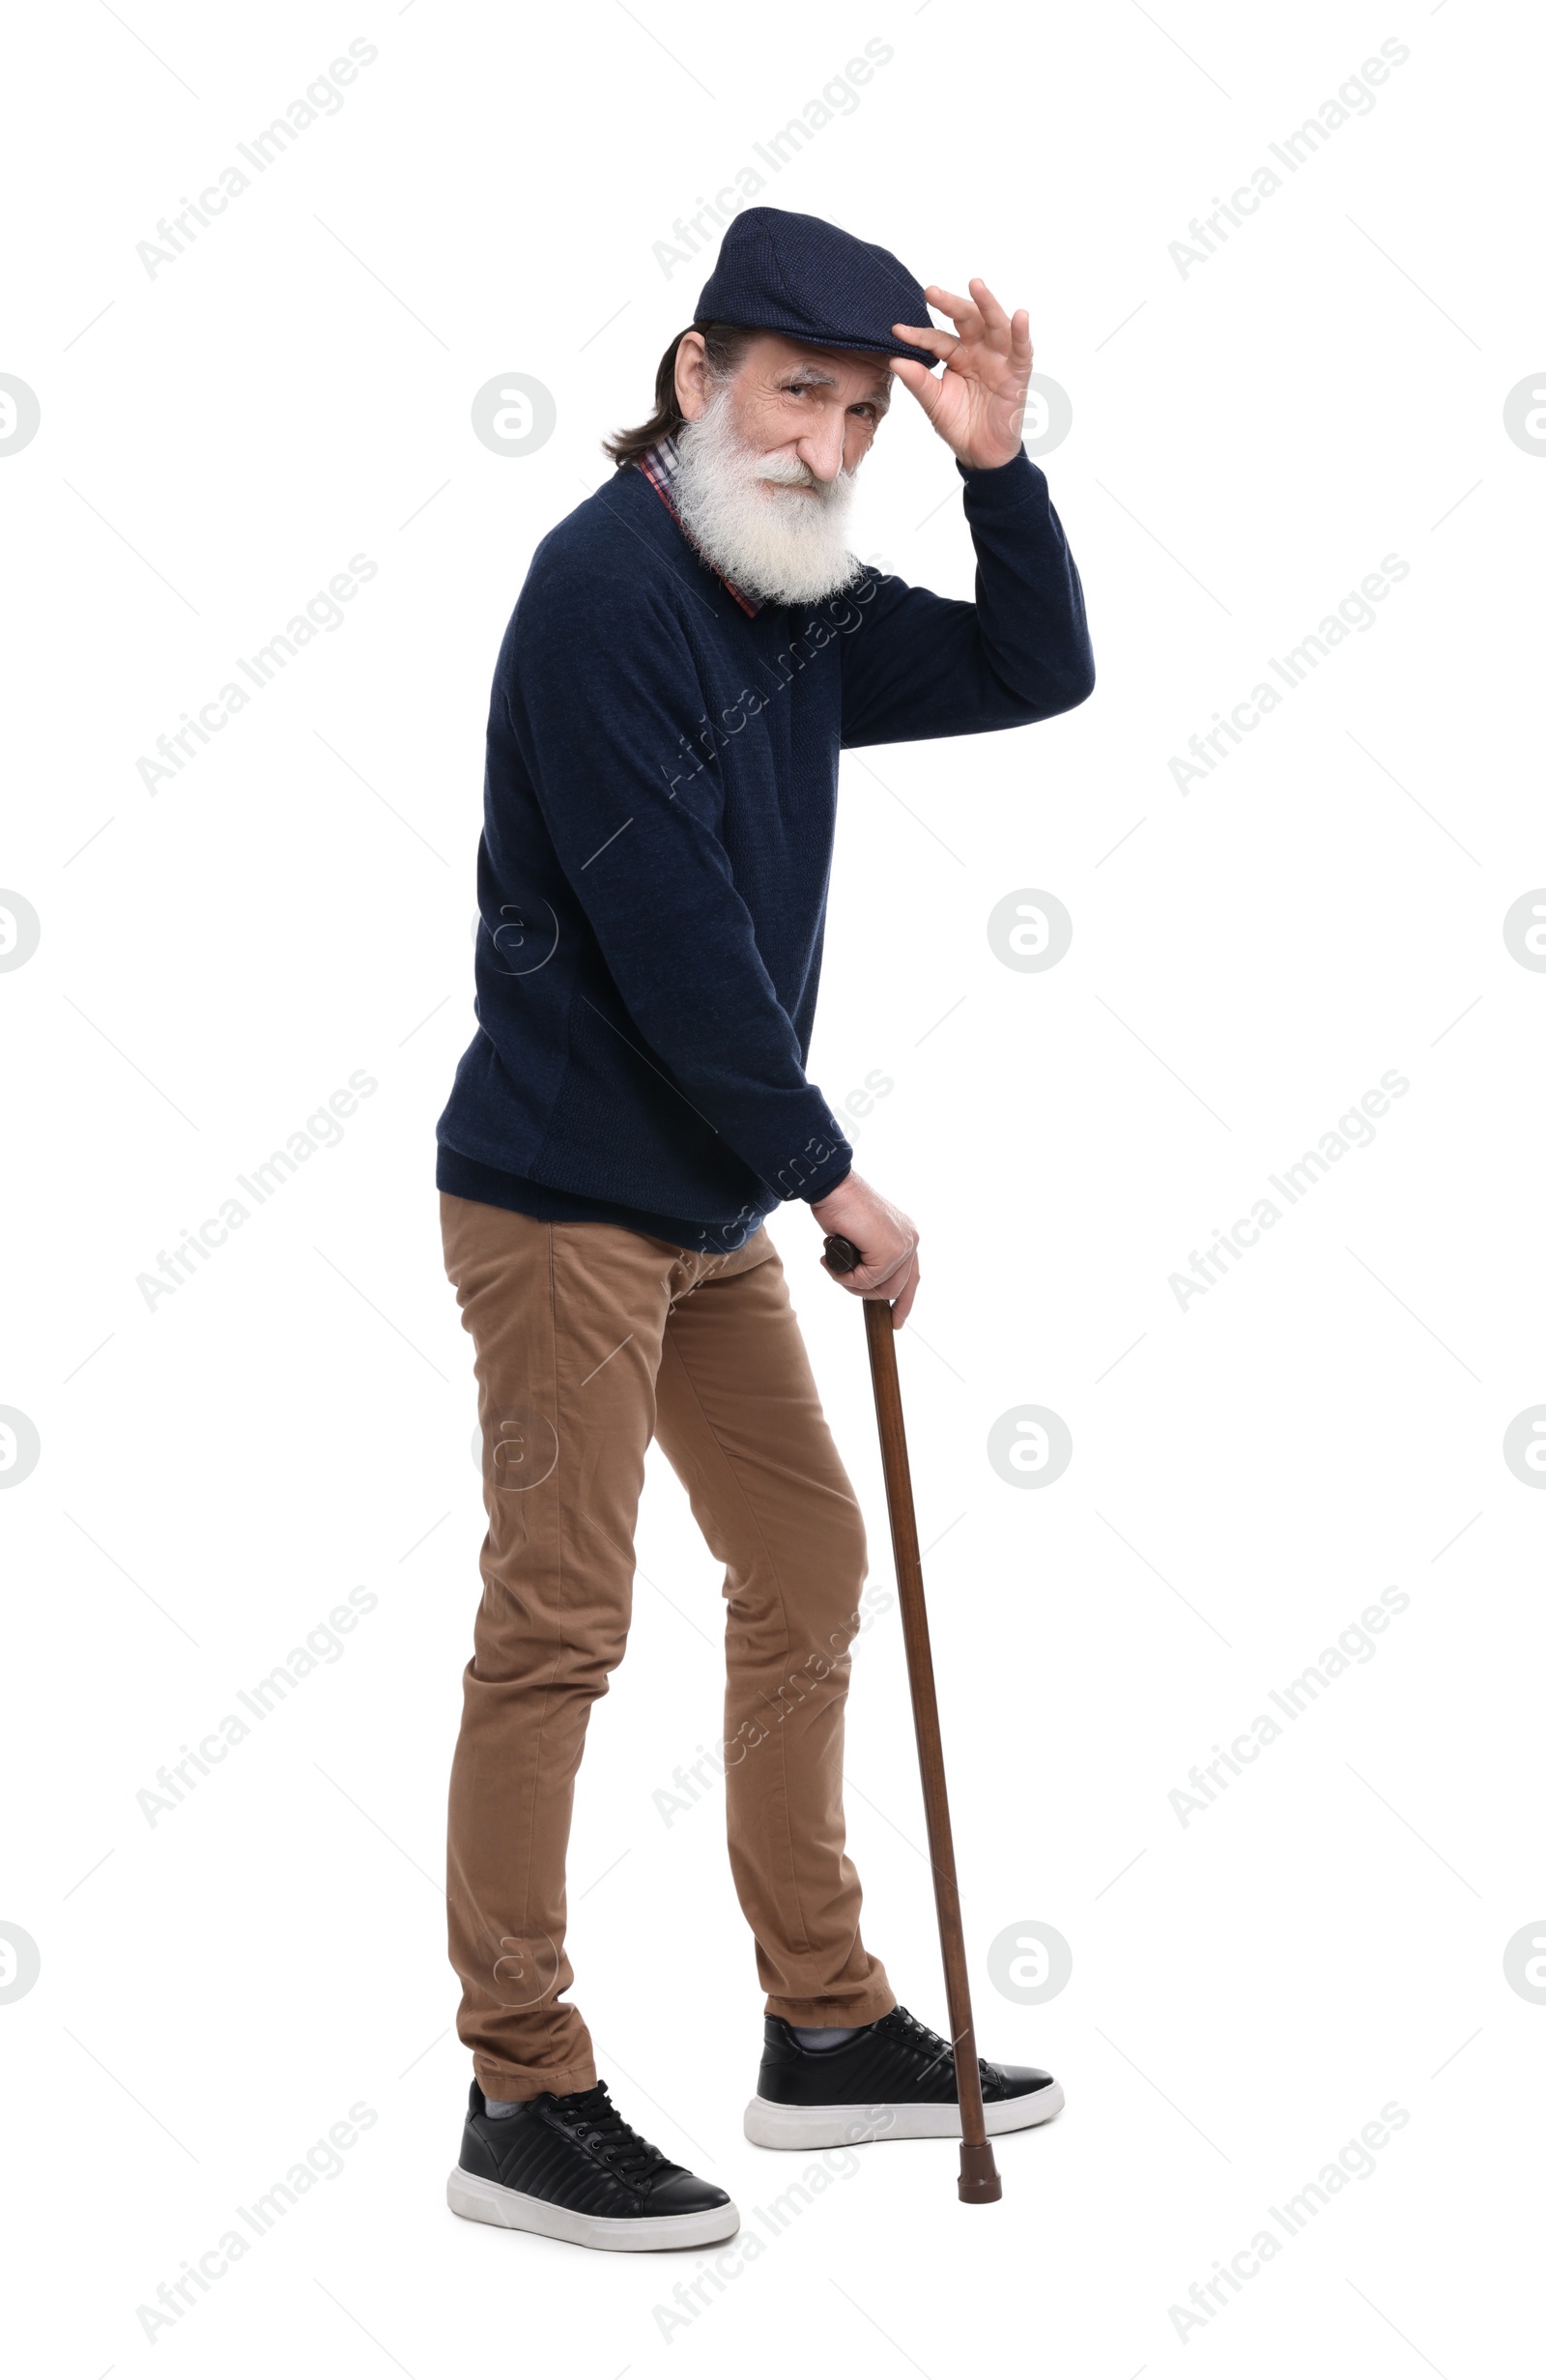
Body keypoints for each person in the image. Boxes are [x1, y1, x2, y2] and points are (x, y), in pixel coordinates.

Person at [434, 205, 1094, 2252]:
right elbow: (672, 942)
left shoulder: (781, 580)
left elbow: (1027, 664)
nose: (823, 444)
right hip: (559, 1199)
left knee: (804, 1554)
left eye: (857, 412)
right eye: (792, 392)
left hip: (699, 1194)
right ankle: (519, 2088)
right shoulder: (606, 587)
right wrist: (833, 1173)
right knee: (559, 1622)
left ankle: (821, 2028)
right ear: (696, 370)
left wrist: (998, 466)